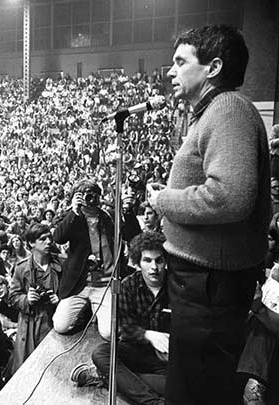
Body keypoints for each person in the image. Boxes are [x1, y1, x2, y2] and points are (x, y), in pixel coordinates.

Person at [148, 25, 270, 405]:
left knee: (197, 390)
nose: (171, 71)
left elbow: (230, 197)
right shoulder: (213, 113)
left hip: (211, 288)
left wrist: (165, 201)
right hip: (204, 284)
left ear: (213, 67)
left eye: (181, 62)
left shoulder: (229, 109)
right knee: (190, 384)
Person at [71, 231, 169, 405]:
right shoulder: (128, 286)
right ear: (138, 263)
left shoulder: (177, 287)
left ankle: (106, 378)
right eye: (147, 260)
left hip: (167, 359)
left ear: (165, 261)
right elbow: (124, 327)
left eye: (159, 260)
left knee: (182, 384)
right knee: (101, 352)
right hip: (136, 351)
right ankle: (153, 402)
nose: (154, 267)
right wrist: (149, 335)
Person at [52, 179, 139, 338]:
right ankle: (86, 312)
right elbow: (58, 238)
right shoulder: (71, 216)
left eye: (94, 195)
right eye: (87, 196)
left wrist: (128, 211)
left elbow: (133, 236)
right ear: (77, 197)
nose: (91, 199)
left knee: (108, 333)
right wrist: (74, 211)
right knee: (61, 326)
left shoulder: (110, 215)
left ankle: (96, 309)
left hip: (105, 284)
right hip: (80, 284)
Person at [8, 223, 61, 375]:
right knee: (29, 370)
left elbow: (73, 292)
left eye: (49, 238)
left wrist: (60, 300)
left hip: (54, 321)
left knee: (54, 368)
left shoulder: (61, 263)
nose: (49, 242)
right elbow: (12, 296)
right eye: (42, 239)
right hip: (30, 324)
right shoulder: (21, 268)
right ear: (31, 243)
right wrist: (26, 299)